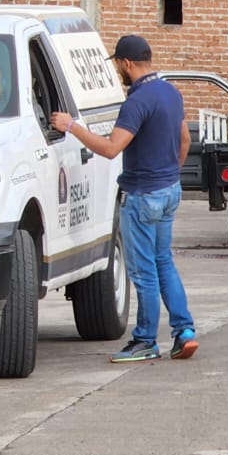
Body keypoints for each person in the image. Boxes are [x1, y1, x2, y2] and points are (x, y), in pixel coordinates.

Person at [51, 34, 197, 364]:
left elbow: (111, 148)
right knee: (164, 263)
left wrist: (71, 126)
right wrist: (169, 174)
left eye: (118, 63)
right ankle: (184, 331)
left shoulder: (138, 101)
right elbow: (184, 138)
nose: (118, 69)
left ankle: (145, 339)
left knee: (144, 272)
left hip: (143, 195)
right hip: (169, 190)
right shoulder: (171, 93)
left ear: (126, 63)